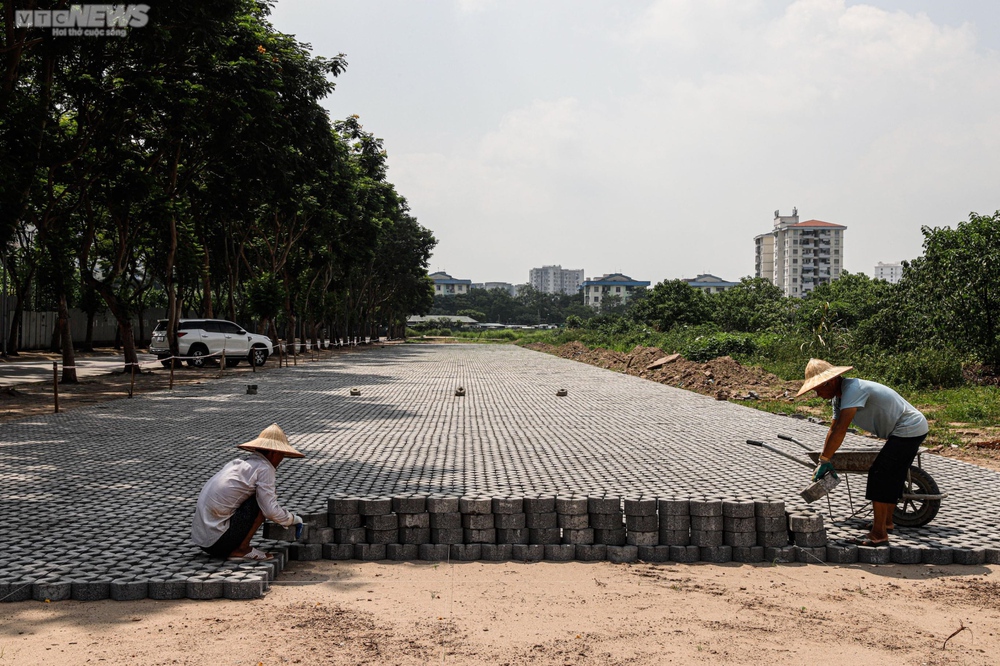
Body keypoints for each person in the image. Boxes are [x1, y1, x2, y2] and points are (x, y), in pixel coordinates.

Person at [796, 358, 928, 547]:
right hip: (904, 430)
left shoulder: (852, 390)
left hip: (909, 428)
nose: (817, 394)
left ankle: (878, 534)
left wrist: (825, 458)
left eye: (818, 388)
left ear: (830, 382)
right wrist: (823, 460)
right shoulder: (838, 398)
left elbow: (842, 427)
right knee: (893, 476)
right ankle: (887, 523)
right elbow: (833, 429)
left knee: (879, 474)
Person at [191, 423, 305, 560]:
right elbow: (270, 511)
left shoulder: (239, 463)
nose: (281, 460)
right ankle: (242, 549)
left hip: (203, 541)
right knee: (260, 502)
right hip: (218, 543)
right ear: (273, 452)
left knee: (258, 497)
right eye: (282, 455)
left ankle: (237, 545)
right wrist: (293, 519)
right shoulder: (265, 468)